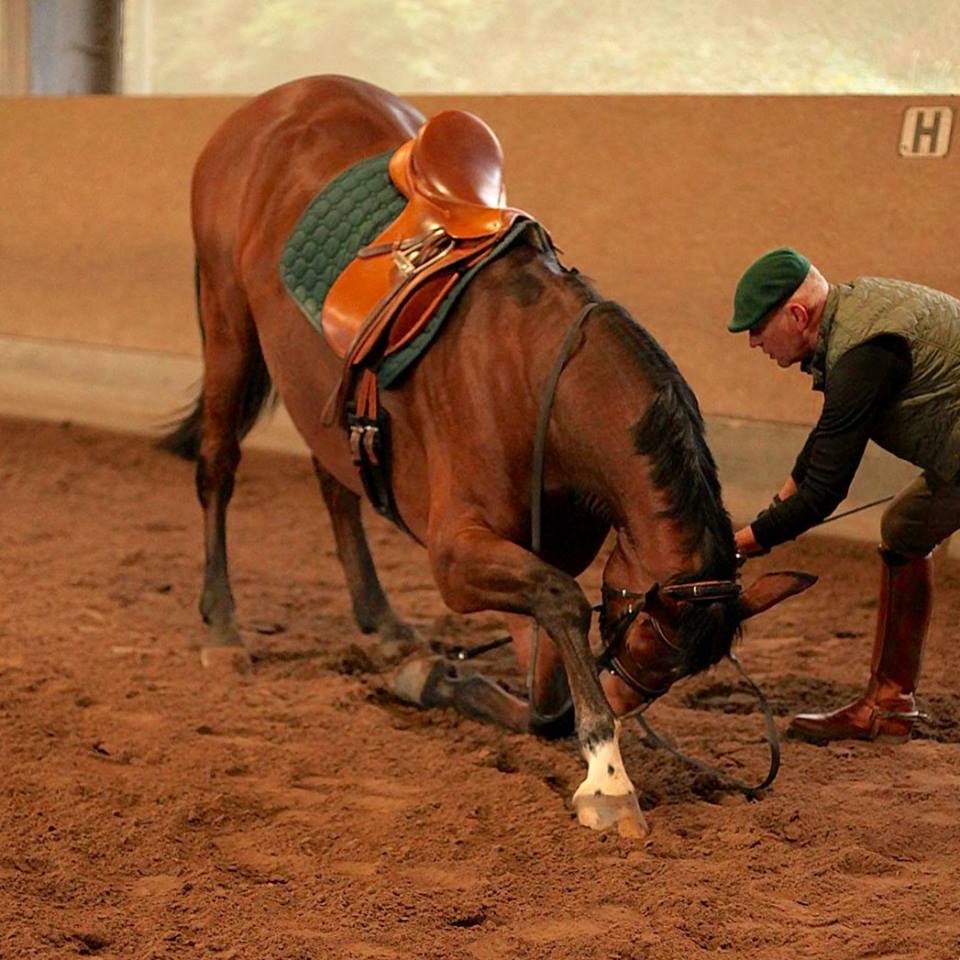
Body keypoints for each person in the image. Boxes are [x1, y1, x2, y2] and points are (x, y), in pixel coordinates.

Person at [728, 247, 960, 743]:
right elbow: (829, 436)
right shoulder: (853, 325)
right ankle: (889, 705)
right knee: (905, 528)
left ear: (795, 315)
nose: (752, 343)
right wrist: (777, 503)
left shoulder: (865, 353)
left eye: (757, 328)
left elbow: (825, 491)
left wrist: (742, 544)